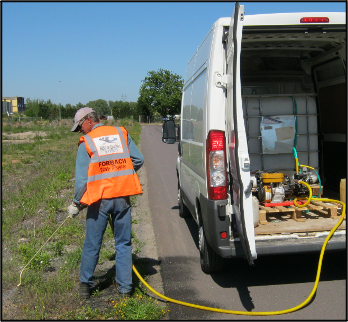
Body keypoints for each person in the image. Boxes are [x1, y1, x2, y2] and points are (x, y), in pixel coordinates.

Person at [67, 107, 144, 299]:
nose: (80, 131)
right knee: (124, 243)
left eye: (80, 127)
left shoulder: (88, 141)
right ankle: (125, 289)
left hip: (99, 200)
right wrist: (120, 173)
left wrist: (77, 203)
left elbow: (82, 180)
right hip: (122, 197)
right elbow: (138, 159)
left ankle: (85, 286)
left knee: (93, 243)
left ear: (88, 121)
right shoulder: (120, 132)